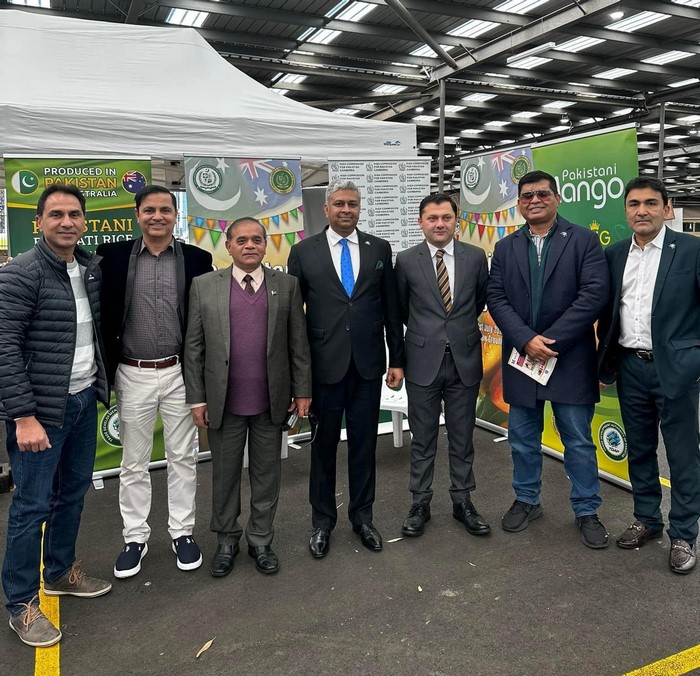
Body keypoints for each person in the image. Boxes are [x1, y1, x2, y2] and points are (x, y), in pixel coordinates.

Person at [0, 185, 111, 648]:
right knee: (30, 507)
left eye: (75, 214)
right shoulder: (21, 274)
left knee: (72, 494)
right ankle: (22, 604)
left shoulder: (86, 269)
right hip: (42, 412)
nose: (67, 222)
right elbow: (3, 347)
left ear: (84, 221)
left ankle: (60, 572)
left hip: (83, 400)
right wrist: (24, 415)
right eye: (57, 214)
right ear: (39, 223)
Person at [486, 170, 610, 549]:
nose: (534, 200)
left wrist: (550, 341)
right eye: (526, 195)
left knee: (577, 439)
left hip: (568, 358)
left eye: (542, 193)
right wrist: (525, 340)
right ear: (519, 203)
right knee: (523, 439)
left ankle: (587, 509)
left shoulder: (584, 241)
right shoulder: (506, 247)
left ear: (557, 198)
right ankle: (527, 500)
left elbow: (594, 294)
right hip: (523, 360)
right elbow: (496, 297)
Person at [184, 217, 312, 577]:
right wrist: (197, 399)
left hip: (272, 401)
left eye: (257, 239)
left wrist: (303, 390)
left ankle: (260, 540)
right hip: (222, 402)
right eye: (242, 240)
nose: (250, 245)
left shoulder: (286, 285)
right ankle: (226, 539)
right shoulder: (204, 286)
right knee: (224, 477)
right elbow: (193, 348)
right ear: (228, 246)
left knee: (266, 476)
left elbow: (297, 343)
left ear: (266, 244)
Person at [97, 186, 212, 578]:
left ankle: (182, 533)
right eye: (149, 210)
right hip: (133, 372)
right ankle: (135, 538)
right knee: (134, 462)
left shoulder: (198, 259)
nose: (157, 216)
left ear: (175, 215)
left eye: (165, 209)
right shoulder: (110, 258)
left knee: (183, 457)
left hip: (181, 372)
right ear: (137, 214)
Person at [287, 180, 404, 557]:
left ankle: (362, 518)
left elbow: (391, 309)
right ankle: (322, 522)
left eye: (352, 204)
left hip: (368, 366)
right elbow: (294, 319)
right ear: (326, 209)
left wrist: (397, 359)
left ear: (360, 208)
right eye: (339, 204)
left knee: (364, 445)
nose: (346, 210)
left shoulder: (379, 248)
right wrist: (298, 375)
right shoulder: (303, 252)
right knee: (322, 448)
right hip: (324, 368)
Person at [598, 176, 700, 574]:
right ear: (626, 211)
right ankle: (648, 520)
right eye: (634, 204)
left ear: (667, 208)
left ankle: (684, 535)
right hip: (629, 366)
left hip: (674, 369)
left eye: (651, 203)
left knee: (682, 455)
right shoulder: (615, 253)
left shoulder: (690, 250)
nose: (642, 211)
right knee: (639, 449)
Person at [395, 193, 490, 538]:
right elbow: (401, 309)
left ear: (456, 221)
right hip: (422, 360)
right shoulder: (406, 260)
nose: (439, 224)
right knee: (422, 439)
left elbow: (479, 300)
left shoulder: (476, 257)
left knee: (462, 437)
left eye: (446, 217)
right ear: (420, 222)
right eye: (432, 218)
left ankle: (462, 501)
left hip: (464, 360)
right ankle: (420, 502)